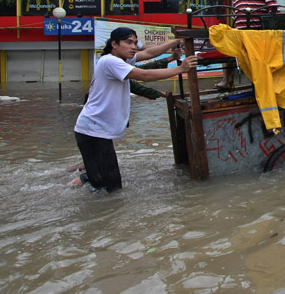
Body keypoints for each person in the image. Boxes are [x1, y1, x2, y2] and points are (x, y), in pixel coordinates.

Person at [71, 27, 197, 192]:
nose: (133, 46)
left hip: (94, 130)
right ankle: (81, 193)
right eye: (128, 42)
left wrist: (175, 42)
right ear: (114, 44)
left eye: (135, 43)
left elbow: (149, 53)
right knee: (112, 188)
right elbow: (143, 75)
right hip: (93, 131)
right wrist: (180, 69)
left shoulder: (120, 60)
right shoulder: (110, 61)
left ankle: (81, 182)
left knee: (104, 183)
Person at [216, 0, 278, 89]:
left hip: (240, 40)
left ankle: (226, 80)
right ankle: (278, 82)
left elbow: (235, 18)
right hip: (259, 41)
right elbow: (276, 18)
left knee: (230, 47)